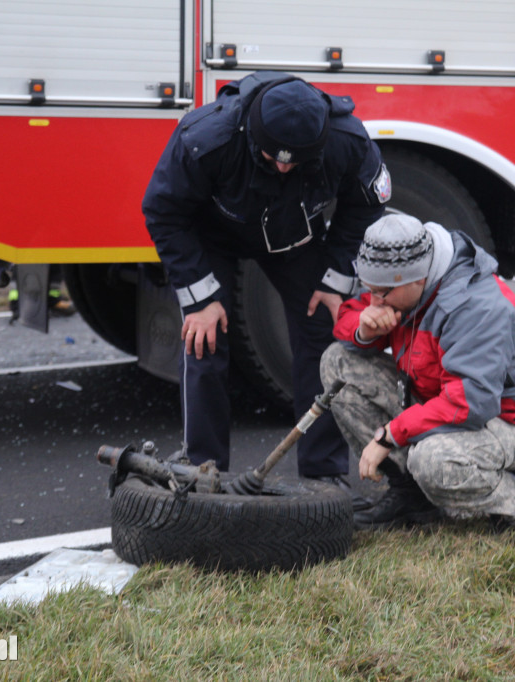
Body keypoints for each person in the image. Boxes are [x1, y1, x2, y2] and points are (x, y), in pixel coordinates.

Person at [142, 72, 390, 508]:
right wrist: (200, 299)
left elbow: (367, 205)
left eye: (294, 162)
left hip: (294, 240)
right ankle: (204, 470)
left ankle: (325, 476)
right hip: (213, 237)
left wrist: (335, 277)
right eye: (273, 157)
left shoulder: (347, 139)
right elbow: (163, 211)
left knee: (324, 333)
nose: (282, 167)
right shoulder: (206, 137)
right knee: (204, 340)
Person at [321, 214, 515, 529]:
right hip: (448, 400)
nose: (375, 301)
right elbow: (353, 314)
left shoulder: (475, 307)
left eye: (382, 293)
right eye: (369, 289)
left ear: (418, 278)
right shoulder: (401, 286)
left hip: (513, 421)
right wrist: (365, 330)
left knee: (430, 460)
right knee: (338, 362)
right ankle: (411, 496)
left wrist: (388, 436)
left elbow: (470, 403)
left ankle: (513, 490)